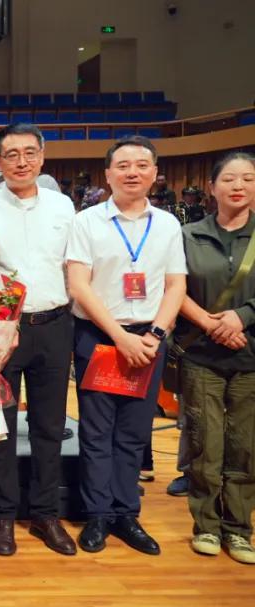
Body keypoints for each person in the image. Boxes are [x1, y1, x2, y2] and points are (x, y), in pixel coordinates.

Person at [66, 136, 187, 556]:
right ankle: (98, 514)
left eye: (141, 165)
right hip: (101, 337)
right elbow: (79, 285)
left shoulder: (167, 224)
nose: (132, 172)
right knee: (97, 432)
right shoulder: (87, 222)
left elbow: (176, 285)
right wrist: (120, 337)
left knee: (134, 433)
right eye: (123, 165)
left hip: (150, 339)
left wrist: (154, 335)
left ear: (155, 173)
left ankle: (125, 513)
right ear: (108, 174)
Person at [0, 123, 78, 557]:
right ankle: (3, 516)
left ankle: (46, 514)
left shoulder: (63, 206)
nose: (21, 161)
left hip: (54, 324)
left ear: (42, 157)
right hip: (2, 330)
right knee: (2, 426)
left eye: (29, 153)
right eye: (11, 154)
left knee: (49, 425)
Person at [174, 151, 255, 564]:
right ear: (211, 187)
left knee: (245, 446)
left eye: (248, 179)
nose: (238, 186)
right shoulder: (188, 235)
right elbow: (174, 287)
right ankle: (205, 525)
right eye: (229, 179)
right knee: (205, 442)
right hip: (201, 353)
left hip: (251, 354)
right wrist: (211, 324)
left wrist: (243, 316)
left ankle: (239, 529)